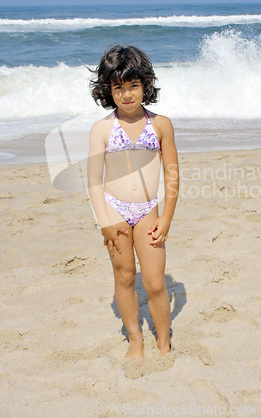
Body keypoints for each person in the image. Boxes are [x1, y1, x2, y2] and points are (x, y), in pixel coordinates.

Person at [88, 45, 179, 361]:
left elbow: (172, 176)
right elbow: (93, 181)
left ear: (145, 86)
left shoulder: (161, 125)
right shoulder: (101, 129)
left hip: (148, 212)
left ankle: (164, 343)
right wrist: (105, 222)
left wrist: (166, 217)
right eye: (118, 87)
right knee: (125, 276)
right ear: (107, 90)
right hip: (114, 210)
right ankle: (135, 340)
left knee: (155, 283)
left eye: (133, 86)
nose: (126, 94)